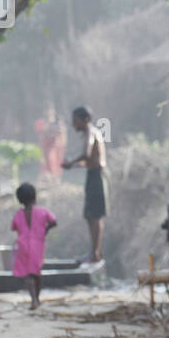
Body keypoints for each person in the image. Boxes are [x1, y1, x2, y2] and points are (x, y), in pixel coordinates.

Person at [62, 106, 106, 264]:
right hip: (93, 175)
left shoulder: (90, 132)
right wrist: (72, 165)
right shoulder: (91, 132)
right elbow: (88, 160)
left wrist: (71, 162)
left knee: (93, 215)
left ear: (84, 120)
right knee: (91, 215)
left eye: (76, 121)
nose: (74, 124)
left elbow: (86, 154)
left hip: (96, 176)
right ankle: (94, 253)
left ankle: (95, 254)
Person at [11, 183, 56, 310]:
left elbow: (14, 227)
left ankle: (34, 299)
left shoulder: (18, 214)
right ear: (34, 197)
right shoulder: (42, 212)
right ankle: (36, 299)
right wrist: (45, 230)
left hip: (23, 245)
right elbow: (53, 221)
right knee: (36, 273)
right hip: (38, 245)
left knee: (28, 275)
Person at [34, 103, 66, 185]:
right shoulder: (41, 122)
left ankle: (55, 182)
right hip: (44, 147)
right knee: (44, 165)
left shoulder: (58, 122)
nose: (48, 112)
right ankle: (45, 182)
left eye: (50, 110)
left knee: (56, 164)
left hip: (55, 147)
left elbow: (62, 133)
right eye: (46, 110)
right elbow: (41, 131)